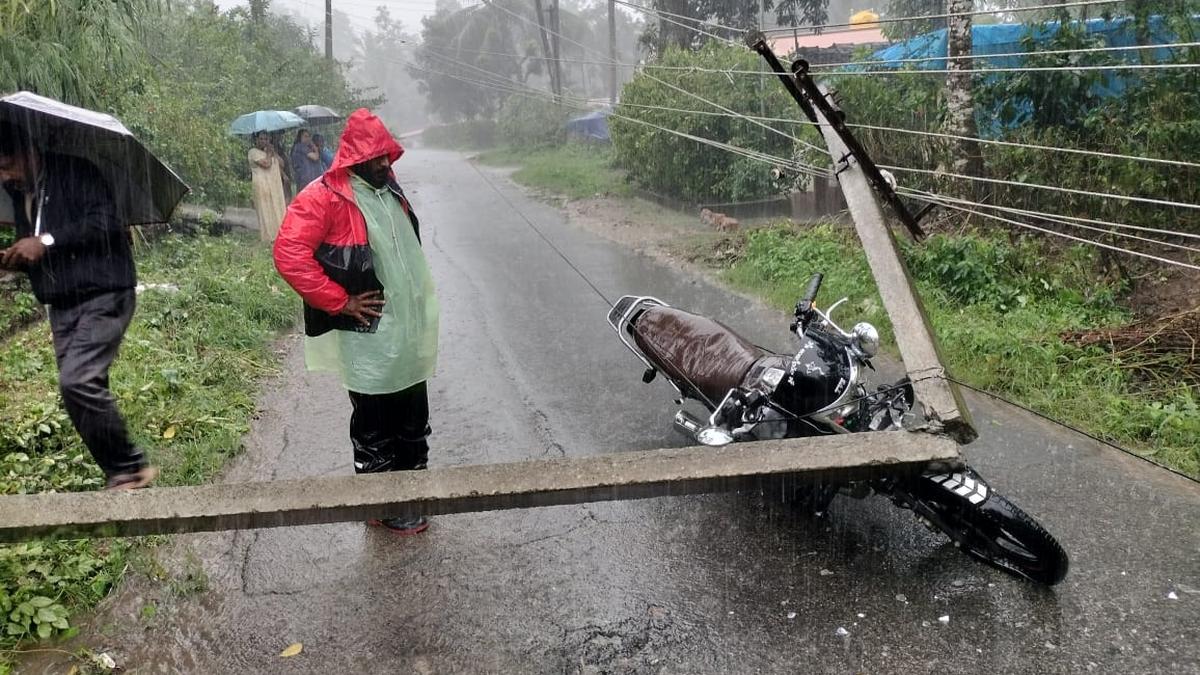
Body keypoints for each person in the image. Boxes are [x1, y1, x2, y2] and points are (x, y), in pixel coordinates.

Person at [273, 109, 439, 536]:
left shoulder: (388, 189)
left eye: (388, 154)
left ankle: (414, 489)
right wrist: (339, 301)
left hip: (406, 329)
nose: (386, 163)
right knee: (375, 418)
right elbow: (289, 254)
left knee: (413, 413)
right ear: (353, 158)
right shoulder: (325, 195)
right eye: (376, 157)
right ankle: (381, 504)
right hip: (368, 334)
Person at [0, 122, 156, 490]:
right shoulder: (20, 191)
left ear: (29, 152)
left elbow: (105, 222)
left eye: (7, 165)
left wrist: (46, 241)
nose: (4, 176)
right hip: (63, 301)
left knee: (78, 380)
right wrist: (17, 255)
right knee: (78, 393)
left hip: (104, 291)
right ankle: (121, 474)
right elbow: (37, 243)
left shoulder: (76, 171)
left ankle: (131, 467)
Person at [248, 131, 287, 241]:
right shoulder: (253, 152)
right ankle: (268, 237)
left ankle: (279, 234)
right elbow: (266, 164)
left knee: (276, 207)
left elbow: (282, 164)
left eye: (266, 139)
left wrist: (273, 152)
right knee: (265, 209)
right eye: (261, 139)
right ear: (256, 140)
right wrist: (269, 154)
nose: (263, 141)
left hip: (274, 185)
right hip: (262, 184)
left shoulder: (269, 152)